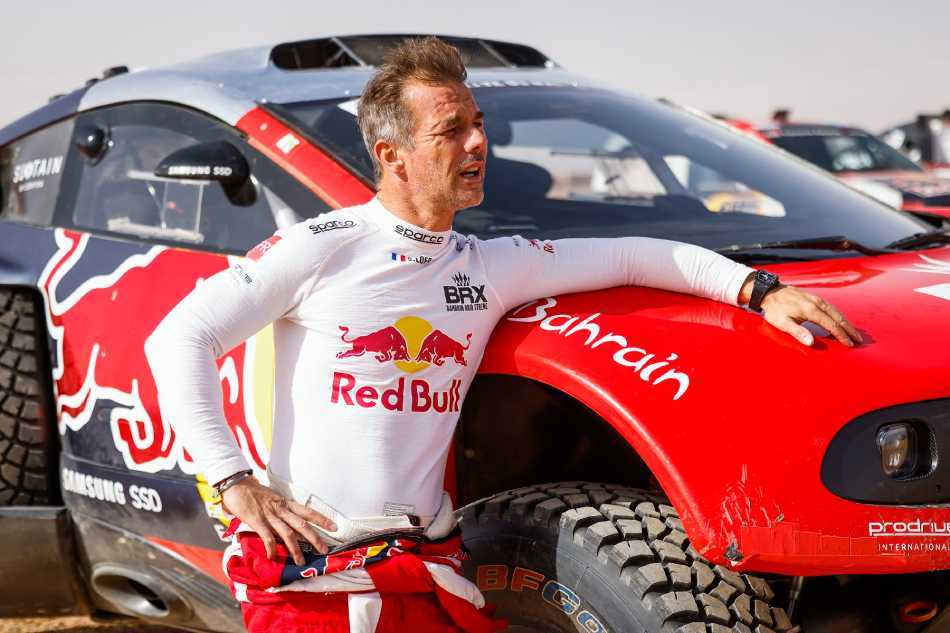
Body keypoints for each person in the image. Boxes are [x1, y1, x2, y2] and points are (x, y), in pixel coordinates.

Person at [145, 37, 861, 633]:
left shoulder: (488, 265)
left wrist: (758, 289)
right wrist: (233, 481)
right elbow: (178, 338)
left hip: (426, 569)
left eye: (478, 123)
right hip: (314, 581)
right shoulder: (325, 245)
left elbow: (635, 255)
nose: (478, 142)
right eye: (451, 129)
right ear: (392, 154)